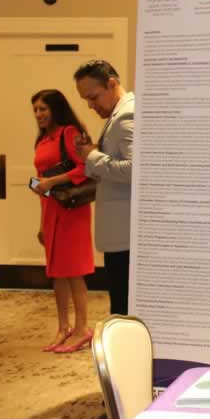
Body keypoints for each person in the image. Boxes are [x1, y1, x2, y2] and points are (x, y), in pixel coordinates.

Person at [31, 90, 95, 353]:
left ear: (56, 108)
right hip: (50, 209)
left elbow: (85, 167)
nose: (38, 114)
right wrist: (41, 222)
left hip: (71, 210)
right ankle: (63, 327)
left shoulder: (69, 133)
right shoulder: (43, 139)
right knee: (57, 272)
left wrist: (52, 181)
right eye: (35, 110)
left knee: (73, 271)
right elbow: (40, 182)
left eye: (43, 109)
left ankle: (82, 329)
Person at [73, 61, 134, 316]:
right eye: (86, 99)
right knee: (119, 305)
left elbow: (135, 170)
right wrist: (91, 154)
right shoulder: (118, 115)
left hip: (125, 234)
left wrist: (92, 156)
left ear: (111, 84)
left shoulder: (127, 115)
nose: (90, 105)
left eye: (93, 96)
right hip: (120, 233)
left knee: (122, 308)